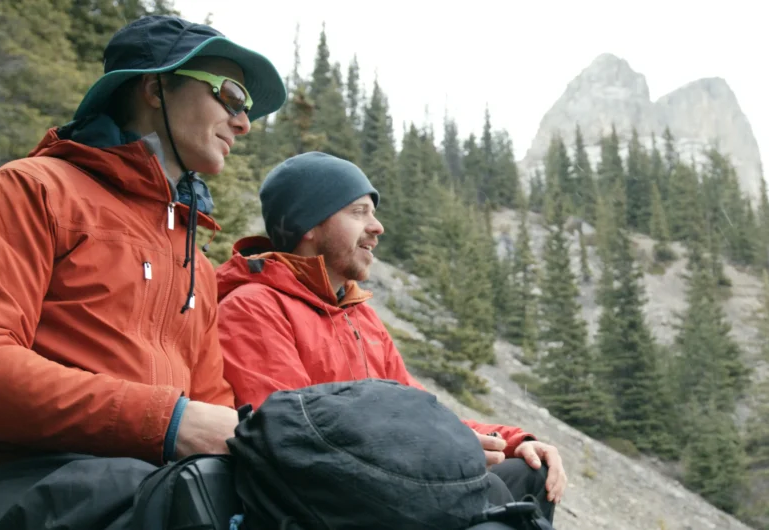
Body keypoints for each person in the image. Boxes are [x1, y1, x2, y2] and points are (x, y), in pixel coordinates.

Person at [0, 15, 286, 529]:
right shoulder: (32, 190)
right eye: (230, 95)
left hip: (153, 483)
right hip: (8, 475)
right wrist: (168, 422)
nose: (243, 122)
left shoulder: (194, 259)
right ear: (155, 86)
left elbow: (212, 403)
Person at [214, 151, 567, 521]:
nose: (377, 226)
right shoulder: (252, 307)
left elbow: (421, 411)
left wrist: (513, 442)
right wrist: (439, 454)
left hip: (388, 477)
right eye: (358, 212)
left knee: (530, 474)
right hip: (329, 500)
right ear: (309, 225)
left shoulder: (358, 315)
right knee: (490, 493)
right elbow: (291, 444)